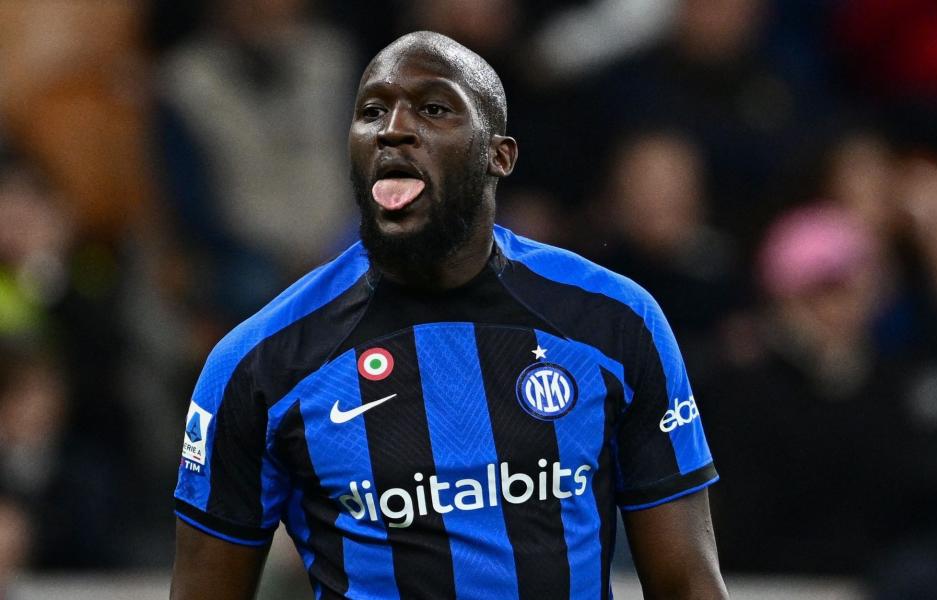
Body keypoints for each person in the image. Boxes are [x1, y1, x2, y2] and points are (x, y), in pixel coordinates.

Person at [170, 31, 727, 599]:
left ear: (499, 155)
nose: (393, 129)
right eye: (371, 112)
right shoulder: (259, 362)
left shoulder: (614, 321)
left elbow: (686, 582)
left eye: (433, 108)